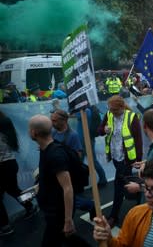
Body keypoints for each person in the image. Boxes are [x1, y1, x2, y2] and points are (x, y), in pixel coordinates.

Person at [29, 115, 90, 246]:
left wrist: (68, 220)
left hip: (57, 211)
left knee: (53, 240)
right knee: (67, 238)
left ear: (34, 132)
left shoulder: (55, 154)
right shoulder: (45, 149)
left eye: (30, 129)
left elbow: (67, 188)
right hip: (52, 207)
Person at [98, 95, 143, 227]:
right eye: (110, 110)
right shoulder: (109, 114)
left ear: (121, 107)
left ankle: (113, 216)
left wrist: (138, 160)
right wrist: (103, 130)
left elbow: (138, 140)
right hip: (115, 156)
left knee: (118, 185)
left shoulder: (131, 117)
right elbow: (99, 130)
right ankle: (139, 195)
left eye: (114, 110)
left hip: (127, 158)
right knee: (126, 182)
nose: (111, 112)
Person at [0, 111, 38, 236]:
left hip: (2, 167)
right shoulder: (7, 134)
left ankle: (5, 226)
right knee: (14, 190)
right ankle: (30, 206)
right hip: (11, 164)